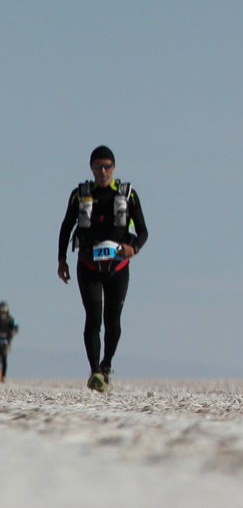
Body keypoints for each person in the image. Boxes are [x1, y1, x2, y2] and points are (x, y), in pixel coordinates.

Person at [57, 145, 148, 392]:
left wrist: (134, 248)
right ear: (91, 168)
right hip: (88, 264)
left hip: (118, 266)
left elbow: (143, 232)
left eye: (107, 166)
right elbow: (66, 227)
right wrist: (61, 260)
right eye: (98, 166)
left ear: (114, 168)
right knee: (93, 318)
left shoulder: (128, 195)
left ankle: (106, 365)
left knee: (113, 320)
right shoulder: (80, 195)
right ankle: (95, 371)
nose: (103, 171)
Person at [0, 301, 17, 382]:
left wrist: (14, 332)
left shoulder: (10, 319)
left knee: (4, 359)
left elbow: (16, 325)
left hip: (6, 342)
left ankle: (3, 376)